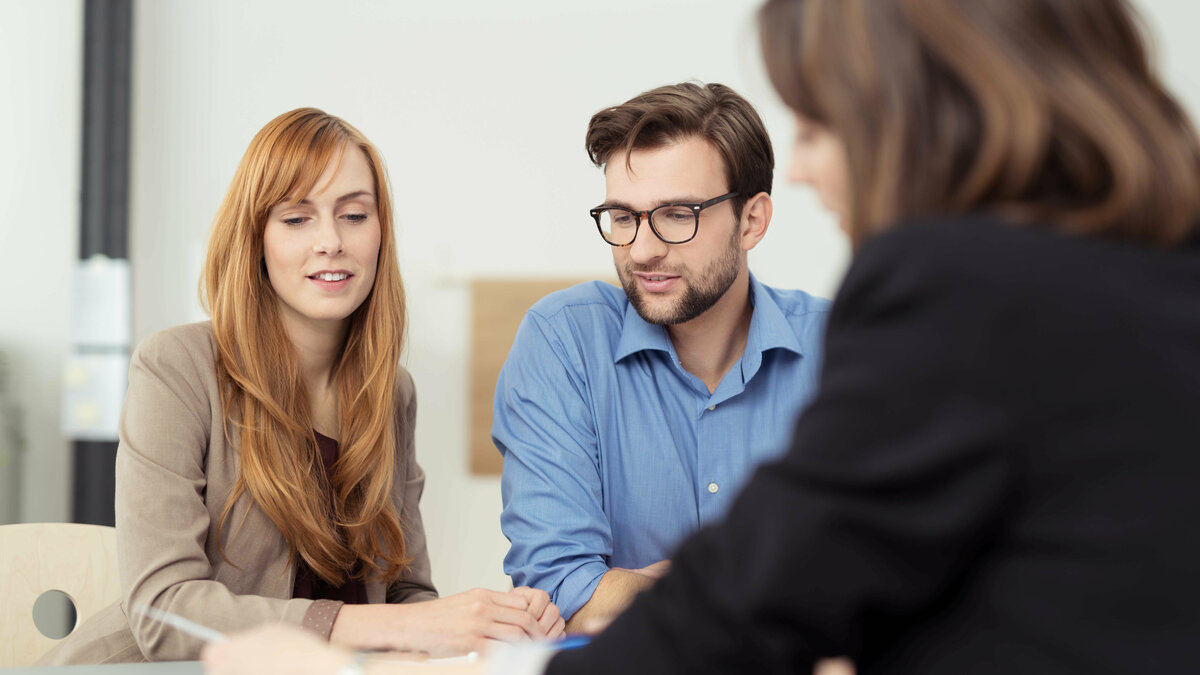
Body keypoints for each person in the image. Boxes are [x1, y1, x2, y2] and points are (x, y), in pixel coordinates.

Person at [203, 0, 1200, 673]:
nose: (809, 168)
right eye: (623, 217)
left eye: (821, 125)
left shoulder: (945, 294)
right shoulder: (1160, 272)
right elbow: (577, 585)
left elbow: (768, 589)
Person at [41, 108, 562, 665]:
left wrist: (493, 624)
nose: (331, 241)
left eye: (354, 215)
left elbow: (405, 595)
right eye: (296, 219)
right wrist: (409, 623)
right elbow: (162, 611)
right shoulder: (177, 366)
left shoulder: (391, 393)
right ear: (256, 238)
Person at [494, 82, 831, 630]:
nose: (642, 249)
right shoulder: (563, 341)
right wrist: (764, 582)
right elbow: (559, 590)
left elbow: (888, 572)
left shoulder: (837, 351)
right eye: (623, 216)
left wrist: (639, 590)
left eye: (678, 214)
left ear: (752, 221)